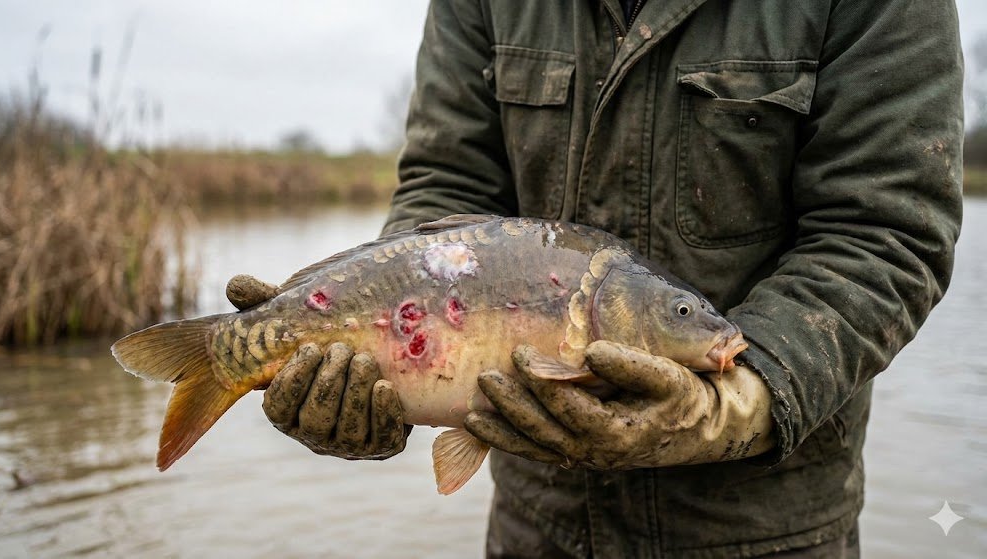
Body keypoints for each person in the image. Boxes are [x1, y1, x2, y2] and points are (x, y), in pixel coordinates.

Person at [232, 1, 964, 556]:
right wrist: (389, 370)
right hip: (537, 524)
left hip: (771, 528)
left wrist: (740, 399)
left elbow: (886, 231)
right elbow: (445, 194)